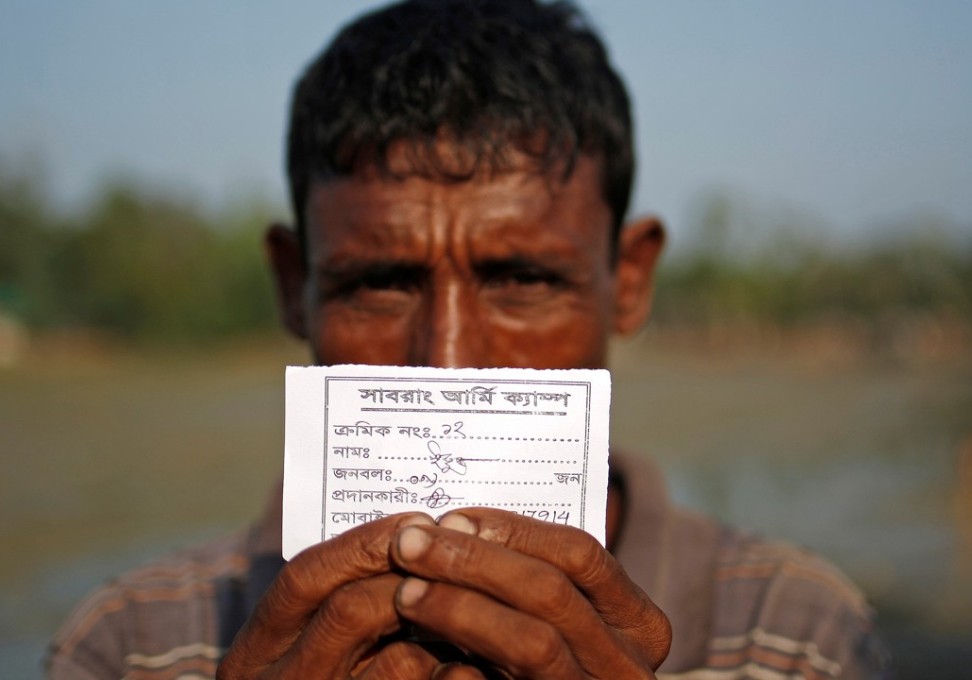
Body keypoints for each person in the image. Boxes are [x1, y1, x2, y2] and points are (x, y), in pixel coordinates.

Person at [46, 0, 888, 677]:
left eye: (524, 281)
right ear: (291, 287)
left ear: (627, 282)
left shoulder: (793, 634)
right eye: (378, 283)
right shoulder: (134, 645)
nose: (448, 362)